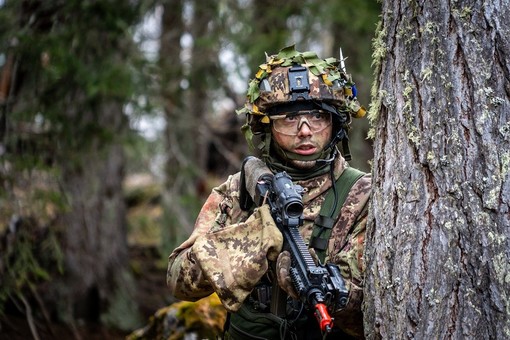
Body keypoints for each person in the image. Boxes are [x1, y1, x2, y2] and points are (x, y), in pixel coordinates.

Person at [167, 45, 371, 340]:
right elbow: (179, 282)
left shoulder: (363, 195)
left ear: (336, 123)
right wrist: (248, 242)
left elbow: (372, 312)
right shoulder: (238, 190)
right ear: (266, 127)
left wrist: (326, 289)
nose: (304, 130)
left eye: (317, 117)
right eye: (289, 119)